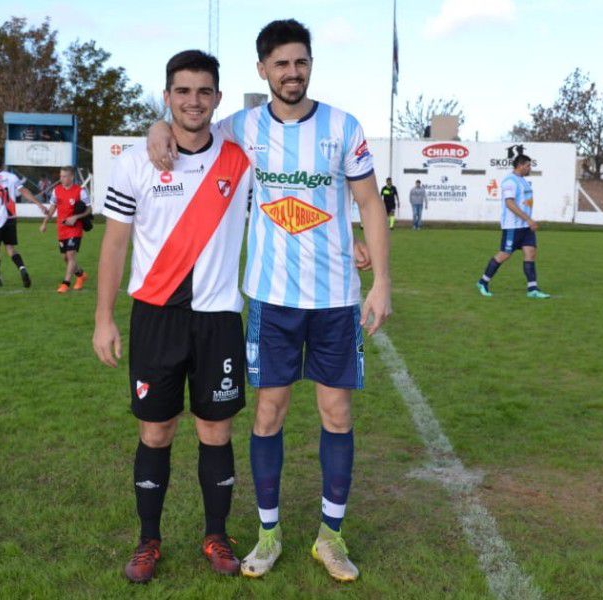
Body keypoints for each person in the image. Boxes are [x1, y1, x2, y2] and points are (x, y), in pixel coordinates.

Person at [148, 19, 392, 583]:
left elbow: (370, 203)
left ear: (310, 66)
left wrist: (381, 282)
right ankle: (268, 533)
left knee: (336, 412)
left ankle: (331, 537)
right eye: (280, 64)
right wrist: (155, 127)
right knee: (268, 413)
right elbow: (188, 124)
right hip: (271, 299)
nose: (292, 72)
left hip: (334, 299)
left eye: (300, 62)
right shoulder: (242, 127)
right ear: (262, 70)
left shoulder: (342, 125)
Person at [93, 50, 253, 584]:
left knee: (215, 428)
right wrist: (103, 318)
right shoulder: (137, 161)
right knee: (156, 431)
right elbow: (114, 245)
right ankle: (148, 541)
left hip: (217, 320)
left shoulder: (240, 156)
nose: (193, 101)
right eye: (182, 92)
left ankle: (216, 534)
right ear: (167, 97)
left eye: (204, 91)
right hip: (155, 317)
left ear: (218, 99)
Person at [476, 154, 551, 299]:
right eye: (528, 165)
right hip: (513, 226)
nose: (530, 168)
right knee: (504, 254)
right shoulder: (509, 181)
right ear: (521, 165)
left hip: (525, 227)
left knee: (531, 253)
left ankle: (532, 289)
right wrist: (528, 219)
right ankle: (483, 282)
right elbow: (509, 203)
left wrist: (528, 221)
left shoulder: (523, 181)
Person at [0, 155, 47, 287]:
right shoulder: (11, 177)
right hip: (10, 218)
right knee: (10, 249)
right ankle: (22, 268)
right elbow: (24, 191)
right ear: (2, 165)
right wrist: (39, 204)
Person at [40, 166, 92, 293]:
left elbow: (89, 209)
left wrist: (76, 217)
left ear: (71, 177)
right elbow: (52, 208)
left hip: (75, 229)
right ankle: (80, 275)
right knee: (65, 257)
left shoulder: (80, 191)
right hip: (62, 229)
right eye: (60, 176)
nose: (61, 178)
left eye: (64, 176)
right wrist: (45, 222)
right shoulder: (56, 190)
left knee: (70, 254)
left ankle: (66, 284)